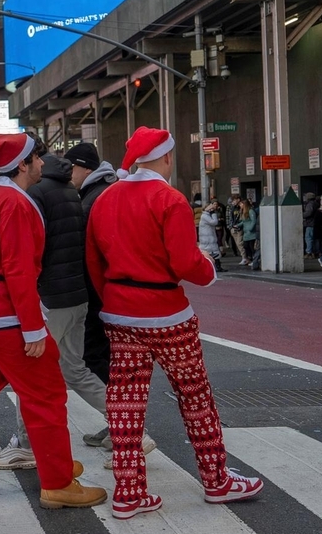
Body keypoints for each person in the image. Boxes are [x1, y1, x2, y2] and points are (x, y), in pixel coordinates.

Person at [86, 126, 262, 520]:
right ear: (166, 157)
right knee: (195, 396)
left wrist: (112, 298)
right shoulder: (170, 199)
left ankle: (128, 491)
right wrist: (209, 269)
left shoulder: (106, 198)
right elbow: (186, 263)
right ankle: (216, 479)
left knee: (125, 404)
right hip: (167, 315)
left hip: (120, 313)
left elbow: (94, 261)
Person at [0, 133, 106, 510]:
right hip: (7, 317)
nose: (42, 163)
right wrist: (33, 329)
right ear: (22, 165)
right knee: (46, 396)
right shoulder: (15, 203)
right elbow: (18, 270)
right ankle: (57, 480)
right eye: (36, 158)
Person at [28, 152, 154, 469]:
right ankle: (130, 429)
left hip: (58, 296)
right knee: (76, 368)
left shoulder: (43, 193)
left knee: (33, 372)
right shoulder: (74, 193)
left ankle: (27, 444)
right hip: (81, 293)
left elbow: (38, 248)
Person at [64, 142, 117, 398]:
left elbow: (85, 249)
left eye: (71, 167)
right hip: (107, 288)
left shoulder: (93, 198)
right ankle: (119, 414)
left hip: (97, 289)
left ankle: (117, 414)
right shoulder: (102, 191)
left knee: (94, 355)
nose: (68, 173)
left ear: (85, 169)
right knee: (103, 355)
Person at [199, 201, 224, 271]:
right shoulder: (204, 216)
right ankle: (212, 267)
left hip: (210, 237)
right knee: (208, 252)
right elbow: (214, 222)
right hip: (207, 238)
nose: (212, 209)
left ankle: (217, 266)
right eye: (210, 208)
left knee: (214, 251)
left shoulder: (207, 215)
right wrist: (214, 214)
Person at [240, 199, 259, 268]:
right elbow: (243, 221)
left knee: (251, 247)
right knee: (246, 246)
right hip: (246, 233)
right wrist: (238, 225)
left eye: (241, 204)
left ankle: (254, 260)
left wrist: (250, 228)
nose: (240, 205)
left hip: (251, 233)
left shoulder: (251, 211)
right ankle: (250, 258)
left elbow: (253, 221)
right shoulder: (243, 212)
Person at [302, 192, 319, 258]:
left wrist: (301, 214)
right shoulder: (316, 203)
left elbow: (308, 213)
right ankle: (316, 252)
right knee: (315, 239)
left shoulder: (310, 204)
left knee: (308, 238)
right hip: (316, 223)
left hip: (310, 223)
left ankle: (309, 252)